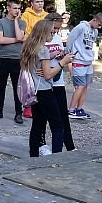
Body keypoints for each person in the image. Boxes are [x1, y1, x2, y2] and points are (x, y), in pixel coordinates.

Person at [22, 19, 75, 157]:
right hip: (45, 91)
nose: (53, 34)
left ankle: (33, 156)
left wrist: (49, 61)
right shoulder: (43, 49)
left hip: (34, 91)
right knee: (58, 126)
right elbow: (48, 75)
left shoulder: (30, 47)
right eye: (51, 32)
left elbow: (38, 68)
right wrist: (63, 62)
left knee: (37, 125)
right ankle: (56, 159)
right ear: (44, 33)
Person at [67, 12, 102, 120]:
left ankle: (79, 108)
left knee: (85, 86)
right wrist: (68, 53)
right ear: (94, 20)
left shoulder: (95, 31)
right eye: (99, 24)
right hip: (79, 60)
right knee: (79, 86)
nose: (99, 27)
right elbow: (70, 39)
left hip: (88, 61)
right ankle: (71, 110)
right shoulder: (81, 27)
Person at [0, 0, 27, 124]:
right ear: (8, 8)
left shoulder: (22, 23)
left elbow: (20, 35)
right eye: (14, 8)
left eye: (18, 8)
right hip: (3, 57)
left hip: (17, 58)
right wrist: (18, 40)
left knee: (17, 87)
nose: (17, 10)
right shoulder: (0, 22)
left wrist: (16, 21)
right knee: (1, 85)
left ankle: (18, 112)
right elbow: (1, 40)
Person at [45, 13, 75, 151]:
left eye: (58, 29)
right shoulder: (41, 39)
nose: (56, 32)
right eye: (55, 28)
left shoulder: (56, 37)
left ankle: (69, 145)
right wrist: (51, 56)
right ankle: (41, 144)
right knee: (43, 118)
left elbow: (59, 51)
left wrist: (63, 56)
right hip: (45, 81)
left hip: (58, 80)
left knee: (63, 115)